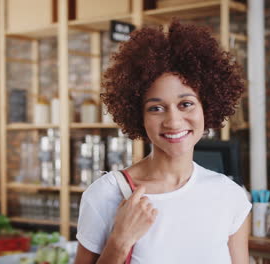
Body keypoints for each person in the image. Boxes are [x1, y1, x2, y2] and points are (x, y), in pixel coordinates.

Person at [74, 20, 251, 264]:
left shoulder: (231, 196)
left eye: (186, 104)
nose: (174, 121)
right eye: (156, 108)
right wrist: (120, 240)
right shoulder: (106, 195)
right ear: (139, 116)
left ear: (206, 107)